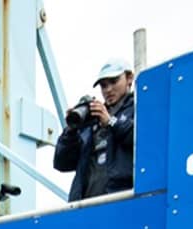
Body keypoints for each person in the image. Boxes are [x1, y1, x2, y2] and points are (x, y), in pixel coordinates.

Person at [53, 58, 136, 201]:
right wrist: (71, 131)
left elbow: (140, 139)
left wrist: (110, 122)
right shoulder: (92, 120)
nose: (108, 89)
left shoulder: (138, 106)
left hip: (121, 201)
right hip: (87, 205)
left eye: (114, 81)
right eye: (103, 85)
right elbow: (62, 163)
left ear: (129, 78)